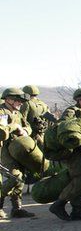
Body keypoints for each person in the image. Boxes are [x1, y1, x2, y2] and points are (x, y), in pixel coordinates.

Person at [49, 88, 81, 221]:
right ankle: (59, 204)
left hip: (80, 150)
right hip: (72, 152)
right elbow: (63, 127)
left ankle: (77, 210)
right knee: (80, 180)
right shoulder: (72, 111)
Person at [0, 87, 35, 218]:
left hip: (18, 148)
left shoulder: (18, 113)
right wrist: (15, 127)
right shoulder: (2, 112)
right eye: (17, 100)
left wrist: (25, 131)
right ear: (8, 100)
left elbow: (28, 127)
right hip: (5, 150)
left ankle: (17, 208)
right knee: (15, 177)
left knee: (21, 177)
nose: (20, 103)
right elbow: (2, 130)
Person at [20, 85, 54, 149]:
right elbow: (50, 120)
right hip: (42, 133)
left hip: (30, 134)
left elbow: (22, 119)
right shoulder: (43, 104)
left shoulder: (26, 103)